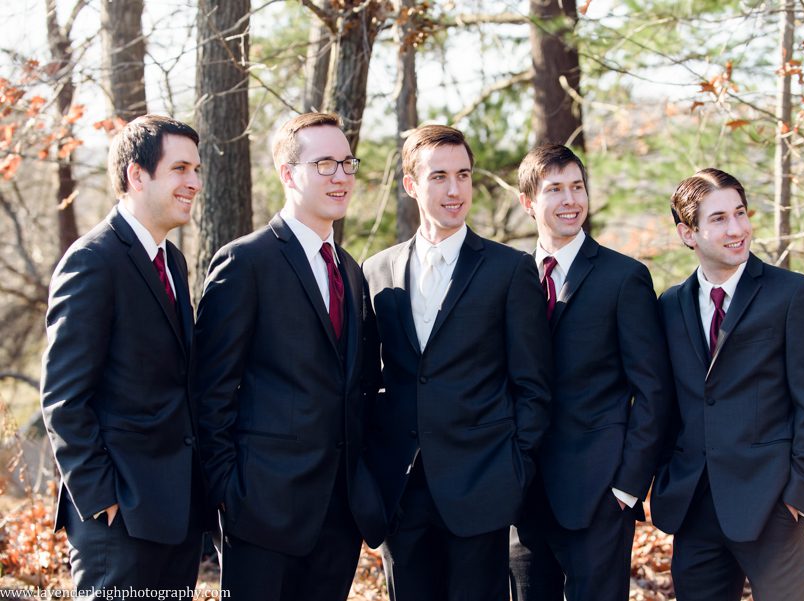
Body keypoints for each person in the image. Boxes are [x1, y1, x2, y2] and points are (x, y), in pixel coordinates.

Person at [192, 112, 383, 601]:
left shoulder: (351, 271)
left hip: (339, 517)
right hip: (262, 514)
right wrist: (230, 496)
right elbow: (209, 392)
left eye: (346, 162)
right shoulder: (246, 262)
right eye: (324, 164)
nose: (340, 176)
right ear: (287, 173)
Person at [362, 125, 553, 601]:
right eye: (439, 176)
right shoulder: (376, 270)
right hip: (402, 494)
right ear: (411, 184)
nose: (454, 190)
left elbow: (533, 385)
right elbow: (368, 380)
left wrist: (513, 470)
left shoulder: (509, 270)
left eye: (463, 175)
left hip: (482, 489)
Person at [650, 168, 804, 601]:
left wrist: (798, 496)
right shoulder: (669, 306)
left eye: (740, 213)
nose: (737, 229)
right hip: (694, 506)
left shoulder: (791, 295)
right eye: (718, 219)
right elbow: (665, 403)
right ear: (687, 233)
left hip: (772, 506)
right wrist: (666, 475)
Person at [40, 115, 206, 597]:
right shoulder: (93, 260)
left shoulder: (172, 261)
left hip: (176, 514)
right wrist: (101, 501)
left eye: (196, 170)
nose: (193, 182)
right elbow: (64, 399)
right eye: (180, 169)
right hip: (119, 519)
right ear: (137, 175)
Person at [508, 144, 672, 601]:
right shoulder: (508, 275)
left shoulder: (624, 278)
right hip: (521, 495)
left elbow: (654, 391)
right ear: (528, 202)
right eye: (555, 189)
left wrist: (627, 487)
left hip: (599, 493)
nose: (570, 200)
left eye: (577, 187)